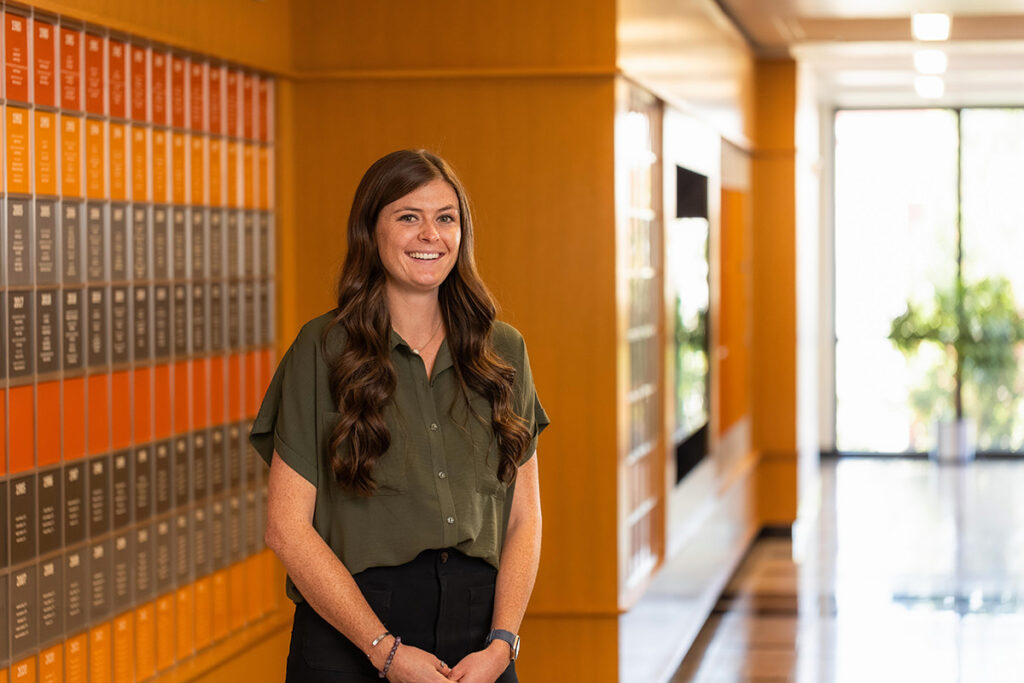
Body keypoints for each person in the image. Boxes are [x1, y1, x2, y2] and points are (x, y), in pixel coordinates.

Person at [250, 149, 549, 682]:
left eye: (445, 218)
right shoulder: (321, 350)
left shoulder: (504, 351)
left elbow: (524, 517)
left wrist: (503, 644)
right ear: (372, 231)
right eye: (408, 217)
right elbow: (286, 529)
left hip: (480, 641)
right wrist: (383, 650)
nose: (430, 234)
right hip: (351, 634)